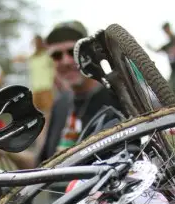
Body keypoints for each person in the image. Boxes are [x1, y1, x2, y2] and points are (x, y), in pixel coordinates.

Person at [37, 21, 121, 164]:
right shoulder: (60, 103)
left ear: (88, 52)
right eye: (57, 55)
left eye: (72, 52)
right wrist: (1, 151)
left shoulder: (117, 97)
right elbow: (40, 166)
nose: (66, 61)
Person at [14, 35, 55, 115]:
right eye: (33, 43)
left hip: (47, 88)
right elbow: (18, 58)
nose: (35, 44)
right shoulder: (32, 58)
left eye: (36, 42)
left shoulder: (48, 56)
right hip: (35, 90)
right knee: (35, 113)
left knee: (48, 113)